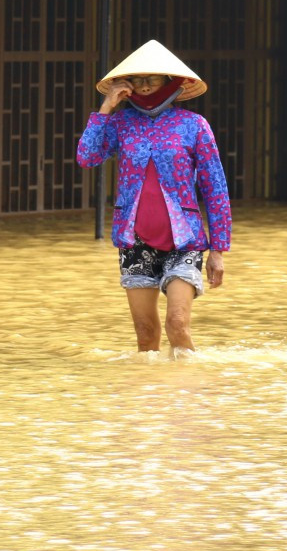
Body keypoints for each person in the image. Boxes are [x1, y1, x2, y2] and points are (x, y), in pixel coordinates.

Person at [76, 40, 231, 360]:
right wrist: (106, 108)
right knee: (146, 335)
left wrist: (218, 249)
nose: (145, 87)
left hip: (184, 242)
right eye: (138, 80)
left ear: (170, 82)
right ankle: (149, 401)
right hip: (134, 242)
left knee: (177, 323)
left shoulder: (194, 126)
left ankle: (187, 393)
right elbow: (87, 157)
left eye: (153, 80)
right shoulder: (120, 124)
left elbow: (214, 188)